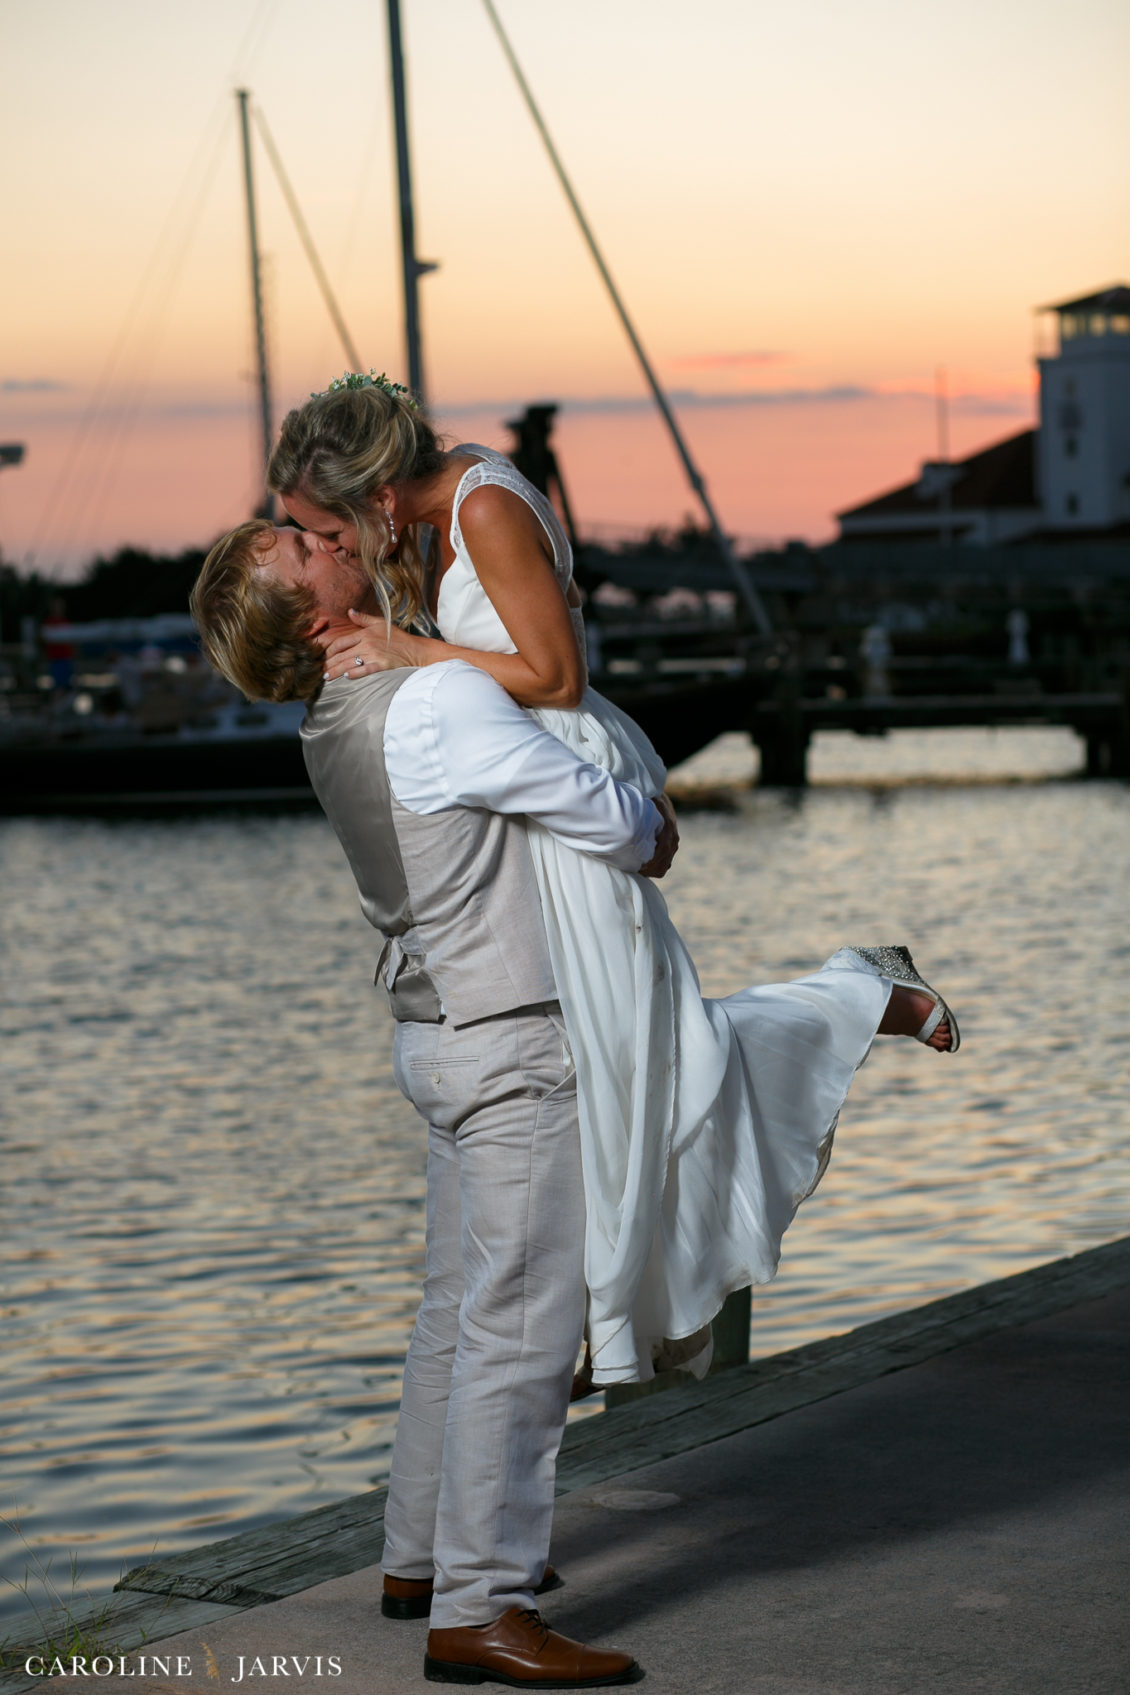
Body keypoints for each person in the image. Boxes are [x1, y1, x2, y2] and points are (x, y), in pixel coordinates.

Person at [190, 516, 954, 1687]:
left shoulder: (331, 718)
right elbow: (602, 808)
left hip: (433, 1041)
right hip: (508, 1049)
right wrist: (651, 828)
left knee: (454, 1310)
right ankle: (481, 1609)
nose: (325, 537)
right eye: (304, 548)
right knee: (521, 1331)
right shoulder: (430, 707)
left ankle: (416, 1560)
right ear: (314, 615)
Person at [264, 374, 960, 1392]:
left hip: (565, 786)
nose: (320, 552)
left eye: (315, 530)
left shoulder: (485, 506)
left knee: (649, 1054)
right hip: (523, 795)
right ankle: (610, 1314)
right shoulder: (425, 521)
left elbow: (554, 676)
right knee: (609, 1060)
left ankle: (860, 996)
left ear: (367, 494)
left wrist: (406, 650)